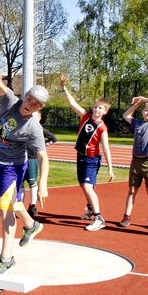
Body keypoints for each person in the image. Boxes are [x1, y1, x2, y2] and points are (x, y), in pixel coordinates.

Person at [0, 36, 48, 274]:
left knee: (5, 207)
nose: (29, 104)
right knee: (10, 203)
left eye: (35, 104)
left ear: (39, 108)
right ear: (25, 96)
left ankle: (7, 259)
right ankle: (31, 225)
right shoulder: (11, 101)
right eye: (29, 98)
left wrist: (43, 184)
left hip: (13, 166)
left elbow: (43, 157)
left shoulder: (33, 128)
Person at [59, 74, 115, 231]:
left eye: (100, 108)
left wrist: (110, 168)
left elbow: (106, 148)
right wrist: (64, 88)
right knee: (82, 184)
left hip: (92, 159)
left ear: (105, 112)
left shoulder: (102, 128)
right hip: (81, 156)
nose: (96, 109)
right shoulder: (85, 117)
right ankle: (91, 207)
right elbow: (72, 103)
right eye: (95, 106)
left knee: (87, 186)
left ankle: (99, 218)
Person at [117, 96, 148, 230]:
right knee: (132, 190)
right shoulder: (137, 123)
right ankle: (126, 216)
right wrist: (138, 104)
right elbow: (125, 115)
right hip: (135, 161)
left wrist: (145, 99)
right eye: (146, 110)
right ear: (142, 112)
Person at [24, 127, 58, 219]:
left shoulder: (37, 127)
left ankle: (33, 205)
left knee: (32, 182)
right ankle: (20, 205)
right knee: (20, 183)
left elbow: (53, 139)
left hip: (32, 158)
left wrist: (41, 147)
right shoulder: (19, 125)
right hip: (19, 159)